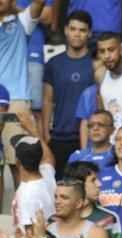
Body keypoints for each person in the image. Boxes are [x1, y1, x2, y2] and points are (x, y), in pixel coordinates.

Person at [41, 10, 94, 174]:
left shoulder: (96, 64)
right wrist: (45, 134)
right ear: (65, 30)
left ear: (89, 33)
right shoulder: (53, 63)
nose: (77, 34)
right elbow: (47, 100)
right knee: (59, 186)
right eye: (73, 29)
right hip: (59, 137)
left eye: (82, 30)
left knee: (87, 185)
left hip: (88, 137)